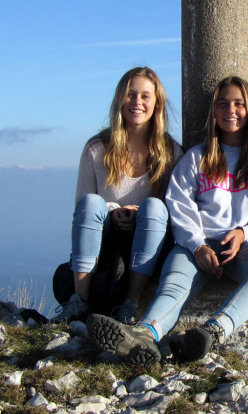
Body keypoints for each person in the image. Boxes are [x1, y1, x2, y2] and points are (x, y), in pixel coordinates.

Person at [88, 76, 248, 367]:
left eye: (239, 104)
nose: (231, 110)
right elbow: (178, 205)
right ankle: (145, 335)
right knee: (173, 286)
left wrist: (245, 233)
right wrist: (197, 245)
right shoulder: (196, 157)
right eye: (223, 104)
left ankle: (213, 331)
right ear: (214, 111)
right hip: (196, 246)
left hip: (245, 247)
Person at [63, 67, 181, 324]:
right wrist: (113, 210)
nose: (137, 102)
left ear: (157, 103)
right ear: (119, 99)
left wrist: (139, 213)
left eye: (145, 96)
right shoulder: (97, 148)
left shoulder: (171, 152)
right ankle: (79, 301)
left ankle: (131, 304)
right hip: (105, 240)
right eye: (130, 94)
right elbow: (82, 208)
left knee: (154, 207)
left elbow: (176, 209)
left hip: (149, 240)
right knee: (92, 203)